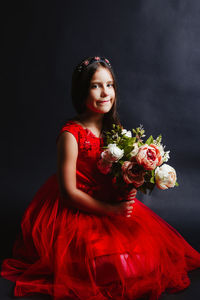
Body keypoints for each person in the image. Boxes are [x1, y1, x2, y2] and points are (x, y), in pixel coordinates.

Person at [1, 56, 200, 300]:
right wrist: (110, 209)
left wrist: (133, 180)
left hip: (109, 203)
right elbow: (68, 193)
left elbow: (118, 175)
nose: (104, 92)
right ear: (82, 91)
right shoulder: (71, 134)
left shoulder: (114, 130)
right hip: (77, 208)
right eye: (95, 86)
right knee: (104, 267)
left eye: (109, 85)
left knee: (147, 258)